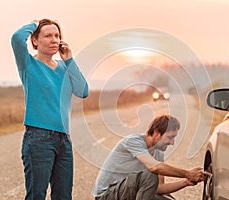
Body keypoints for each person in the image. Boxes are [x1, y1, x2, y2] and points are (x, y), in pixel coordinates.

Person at [11, 18, 89, 200]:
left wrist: (69, 59)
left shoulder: (64, 67)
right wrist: (35, 23)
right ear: (35, 41)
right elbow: (16, 38)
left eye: (57, 35)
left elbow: (82, 91)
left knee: (63, 195)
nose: (54, 40)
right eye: (47, 36)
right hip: (39, 139)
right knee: (36, 195)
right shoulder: (28, 64)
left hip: (64, 140)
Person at [92, 114, 211, 200]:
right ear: (155, 133)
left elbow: (158, 188)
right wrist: (188, 173)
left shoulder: (158, 152)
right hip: (106, 195)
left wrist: (185, 182)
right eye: (170, 137)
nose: (172, 142)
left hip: (126, 193)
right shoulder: (133, 141)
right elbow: (154, 168)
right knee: (150, 175)